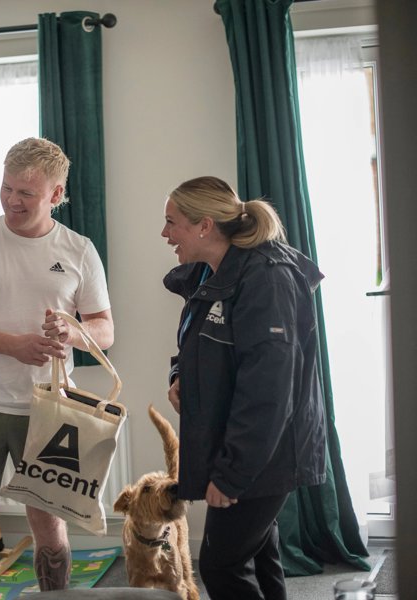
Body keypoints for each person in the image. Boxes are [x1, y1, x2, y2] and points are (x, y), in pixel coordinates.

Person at [0, 137, 114, 600]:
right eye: (7, 188)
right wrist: (13, 346)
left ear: (56, 194)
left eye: (26, 193)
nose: (13, 200)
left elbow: (105, 329)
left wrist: (72, 334)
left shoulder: (79, 249)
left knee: (49, 526)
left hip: (51, 409)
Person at [161, 176, 327, 600]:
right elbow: (197, 342)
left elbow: (269, 391)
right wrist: (180, 375)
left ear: (204, 226)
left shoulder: (267, 278)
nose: (165, 234)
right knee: (258, 554)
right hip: (245, 443)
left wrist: (232, 474)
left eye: (171, 222)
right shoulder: (210, 272)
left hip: (265, 450)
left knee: (222, 565)